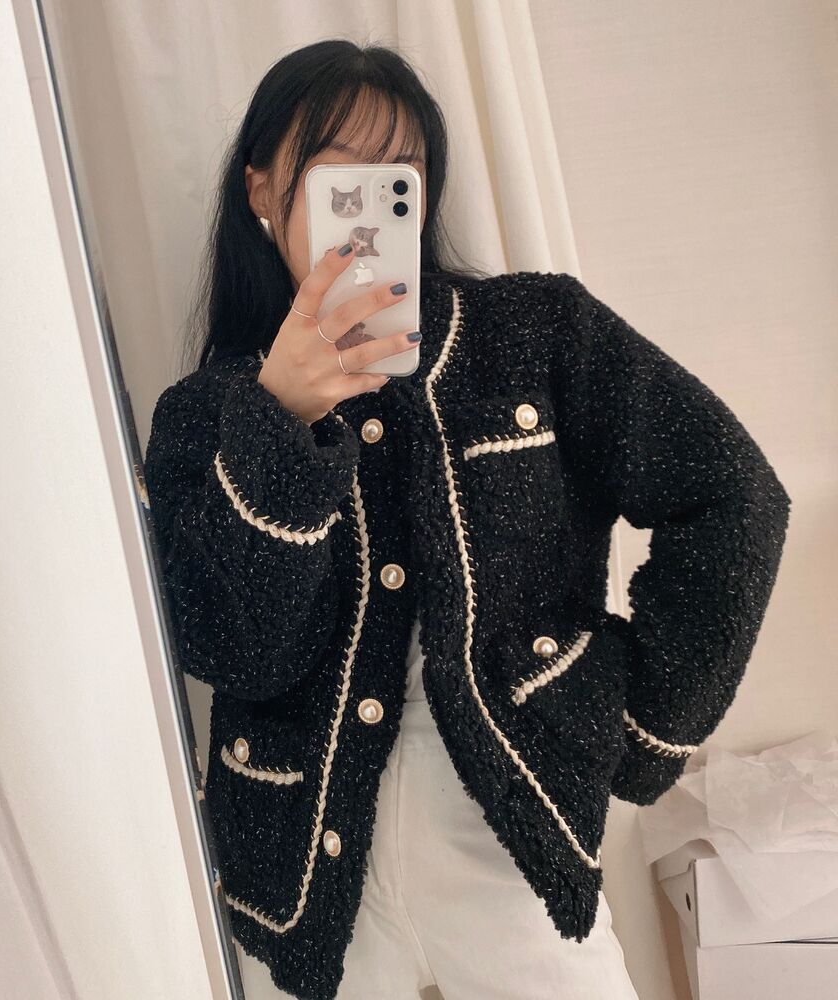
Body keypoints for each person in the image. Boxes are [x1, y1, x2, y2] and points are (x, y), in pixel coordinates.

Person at [143, 39, 790, 1000]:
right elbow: (239, 653)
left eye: (396, 179)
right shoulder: (209, 414)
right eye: (338, 178)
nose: (370, 210)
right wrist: (280, 422)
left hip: (505, 833)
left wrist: (639, 727)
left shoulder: (536, 333)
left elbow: (733, 494)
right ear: (263, 190)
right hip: (304, 869)